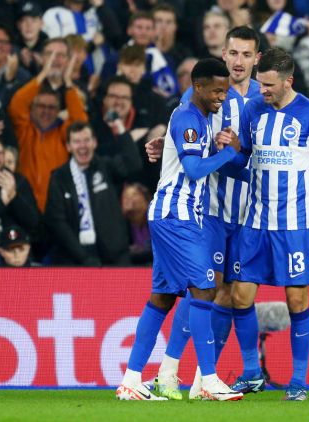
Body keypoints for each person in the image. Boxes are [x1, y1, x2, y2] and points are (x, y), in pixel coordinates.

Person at [146, 26, 263, 401]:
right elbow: (185, 126)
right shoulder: (206, 93)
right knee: (203, 289)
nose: (239, 61)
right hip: (209, 209)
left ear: (257, 59)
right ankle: (168, 369)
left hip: (247, 212)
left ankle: (201, 379)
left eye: (247, 55)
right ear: (224, 54)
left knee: (228, 294)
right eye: (233, 54)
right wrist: (166, 143)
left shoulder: (266, 97)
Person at [116, 58, 243, 401]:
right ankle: (210, 382)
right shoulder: (188, 117)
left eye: (226, 90)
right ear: (197, 86)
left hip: (174, 215)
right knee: (204, 290)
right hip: (177, 215)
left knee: (161, 297)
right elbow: (193, 168)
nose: (222, 96)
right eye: (217, 90)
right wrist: (227, 154)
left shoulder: (197, 119)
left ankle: (130, 380)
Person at [224, 47, 309, 401]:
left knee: (296, 300)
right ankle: (250, 373)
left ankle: (298, 382)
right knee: (240, 296)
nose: (261, 90)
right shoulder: (253, 110)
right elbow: (243, 161)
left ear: (288, 81)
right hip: (255, 222)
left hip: (295, 226)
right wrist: (225, 154)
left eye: (268, 85)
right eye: (260, 83)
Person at [45, 121, 141, 266]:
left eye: (86, 140)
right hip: (76, 259)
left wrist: (121, 132)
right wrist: (82, 257)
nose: (82, 146)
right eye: (77, 142)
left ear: (94, 142)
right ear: (68, 146)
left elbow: (133, 164)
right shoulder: (59, 178)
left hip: (116, 257)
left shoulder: (106, 166)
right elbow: (57, 222)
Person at [8, 46, 87, 211]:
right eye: (41, 106)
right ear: (33, 107)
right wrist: (42, 75)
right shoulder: (24, 129)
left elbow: (81, 125)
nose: (46, 111)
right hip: (24, 205)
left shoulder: (63, 132)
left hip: (56, 207)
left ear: (58, 110)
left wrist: (68, 84)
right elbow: (17, 104)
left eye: (52, 107)